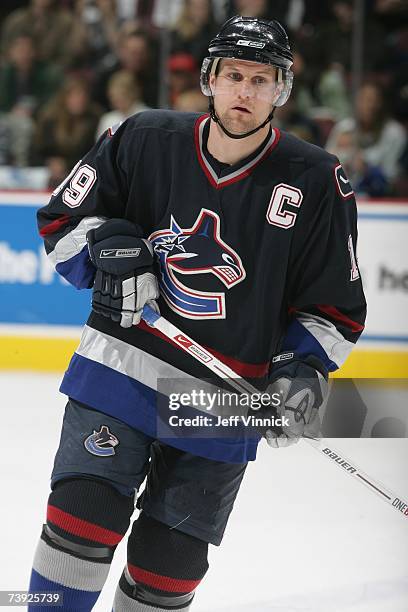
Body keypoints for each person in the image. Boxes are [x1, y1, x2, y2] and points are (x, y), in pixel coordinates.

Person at [29, 15, 366, 612]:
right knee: (83, 520)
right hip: (123, 367)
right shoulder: (142, 137)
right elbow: (61, 222)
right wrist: (110, 250)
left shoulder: (317, 180)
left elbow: (332, 306)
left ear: (281, 90)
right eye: (234, 75)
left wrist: (303, 370)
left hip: (223, 398)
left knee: (169, 564)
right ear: (210, 79)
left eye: (262, 80)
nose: (245, 91)